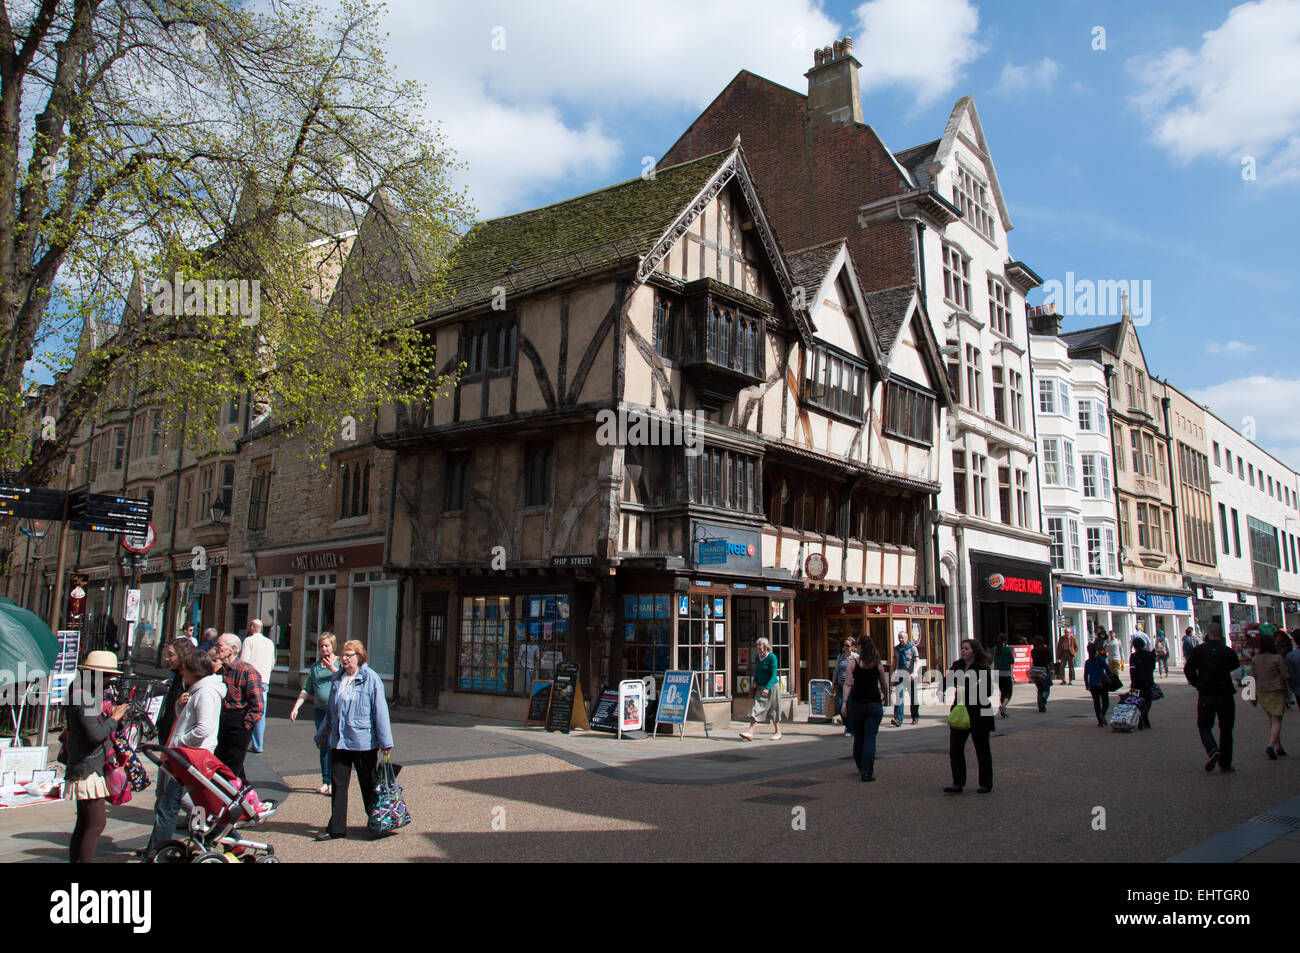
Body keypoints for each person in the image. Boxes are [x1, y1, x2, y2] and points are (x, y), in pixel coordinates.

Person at [145, 649, 225, 854]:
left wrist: (180, 741)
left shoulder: (206, 692)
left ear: (194, 671)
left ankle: (156, 852)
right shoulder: (198, 691)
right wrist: (180, 709)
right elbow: (189, 721)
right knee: (190, 802)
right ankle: (213, 832)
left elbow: (203, 728)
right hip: (185, 755)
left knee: (168, 806)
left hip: (191, 756)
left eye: (184, 670)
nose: (182, 674)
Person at [314, 640, 394, 841]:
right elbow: (331, 713)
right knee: (338, 784)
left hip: (363, 741)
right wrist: (322, 735)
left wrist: (386, 742)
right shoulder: (338, 679)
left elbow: (380, 711)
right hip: (340, 741)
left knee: (368, 783)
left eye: (350, 655)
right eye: (344, 654)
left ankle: (378, 822)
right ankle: (336, 828)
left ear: (360, 657)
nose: (345, 658)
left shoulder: (370, 678)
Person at [64, 651, 129, 863]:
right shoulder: (83, 696)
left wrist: (111, 715)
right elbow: (95, 734)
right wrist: (115, 718)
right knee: (96, 823)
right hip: (87, 765)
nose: (109, 681)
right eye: (107, 677)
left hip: (85, 763)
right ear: (96, 675)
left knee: (84, 822)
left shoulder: (83, 691)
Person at [141, 637, 196, 857]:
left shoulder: (189, 682)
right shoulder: (178, 678)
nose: (167, 658)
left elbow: (197, 724)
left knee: (168, 802)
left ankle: (156, 851)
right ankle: (156, 849)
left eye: (171, 654)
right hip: (169, 745)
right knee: (165, 797)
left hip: (179, 749)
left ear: (182, 655)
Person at [1185, 622, 1241, 773]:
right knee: (1227, 729)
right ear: (1221, 635)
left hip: (1206, 693)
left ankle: (1212, 749)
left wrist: (1197, 682)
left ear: (1207, 634)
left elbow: (1188, 669)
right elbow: (1235, 668)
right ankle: (1226, 763)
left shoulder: (1199, 651)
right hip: (1225, 694)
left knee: (1204, 726)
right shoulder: (1228, 652)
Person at [290, 632, 341, 795]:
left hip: (336, 711)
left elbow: (346, 681)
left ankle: (334, 781)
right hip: (320, 711)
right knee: (323, 744)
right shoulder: (315, 667)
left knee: (334, 745)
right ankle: (325, 781)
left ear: (333, 646)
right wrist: (296, 707)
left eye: (327, 645)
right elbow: (306, 689)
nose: (324, 649)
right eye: (321, 646)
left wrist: (333, 669)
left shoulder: (340, 663)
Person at [944, 640, 995, 794]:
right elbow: (947, 682)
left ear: (974, 651)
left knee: (982, 749)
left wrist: (968, 687)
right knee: (955, 748)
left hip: (979, 711)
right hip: (960, 710)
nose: (963, 651)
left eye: (966, 648)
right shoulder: (958, 665)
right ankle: (958, 782)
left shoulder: (982, 668)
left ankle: (986, 783)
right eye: (962, 648)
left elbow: (987, 691)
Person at [213, 633, 264, 782]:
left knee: (231, 767)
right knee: (223, 763)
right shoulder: (220, 670)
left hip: (238, 721)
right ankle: (247, 799)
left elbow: (258, 705)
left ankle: (225, 801)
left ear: (233, 649)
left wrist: (245, 725)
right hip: (222, 721)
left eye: (220, 645)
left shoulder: (247, 670)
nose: (216, 648)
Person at [840, 636, 889, 781]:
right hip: (874, 703)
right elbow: (883, 683)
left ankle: (861, 766)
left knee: (859, 737)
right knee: (870, 738)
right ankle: (866, 771)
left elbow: (848, 684)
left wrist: (844, 702)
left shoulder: (853, 663)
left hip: (858, 704)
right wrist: (886, 696)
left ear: (860, 647)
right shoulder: (877, 663)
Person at [238, 618, 275, 753]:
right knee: (261, 711)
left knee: (248, 710)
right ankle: (258, 744)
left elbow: (244, 662)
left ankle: (245, 740)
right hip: (264, 680)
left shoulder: (249, 641)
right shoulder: (269, 643)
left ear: (252, 628)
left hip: (251, 680)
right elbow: (272, 662)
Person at [1251, 632, 1288, 759]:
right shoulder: (1278, 658)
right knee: (1277, 719)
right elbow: (1285, 675)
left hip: (1262, 691)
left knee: (1271, 719)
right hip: (1276, 690)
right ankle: (1271, 745)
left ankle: (1279, 747)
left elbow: (1253, 677)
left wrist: (1252, 695)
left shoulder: (1256, 659)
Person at [739, 637, 781, 741]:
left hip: (772, 687)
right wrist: (754, 681)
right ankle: (750, 732)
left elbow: (774, 675)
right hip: (760, 687)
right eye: (757, 645)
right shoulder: (757, 657)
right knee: (756, 707)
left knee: (774, 709)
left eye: (760, 645)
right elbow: (757, 671)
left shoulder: (772, 657)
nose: (758, 647)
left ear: (766, 647)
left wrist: (767, 688)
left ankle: (778, 732)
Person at [891, 631, 919, 727]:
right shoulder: (896, 649)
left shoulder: (912, 648)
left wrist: (914, 672)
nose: (900, 639)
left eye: (902, 637)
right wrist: (893, 673)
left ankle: (915, 717)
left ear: (907, 638)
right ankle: (898, 719)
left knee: (913, 697)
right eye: (899, 637)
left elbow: (917, 661)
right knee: (899, 697)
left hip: (911, 675)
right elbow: (894, 662)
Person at [831, 637, 856, 735]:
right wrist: (833, 683)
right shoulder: (840, 657)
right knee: (839, 706)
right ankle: (849, 725)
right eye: (844, 645)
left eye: (847, 646)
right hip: (841, 686)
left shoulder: (856, 657)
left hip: (851, 686)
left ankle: (850, 729)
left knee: (849, 708)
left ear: (853, 647)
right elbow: (836, 670)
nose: (845, 647)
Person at [1130, 636, 1156, 729]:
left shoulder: (1133, 656)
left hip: (1136, 682)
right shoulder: (1150, 654)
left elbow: (1132, 670)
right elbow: (1153, 667)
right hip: (1148, 680)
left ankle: (1140, 716)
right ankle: (1145, 714)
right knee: (1148, 698)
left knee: (1135, 700)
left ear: (1134, 646)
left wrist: (1132, 682)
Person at [1083, 643, 1111, 726]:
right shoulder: (1100, 659)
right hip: (1101, 683)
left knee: (1096, 703)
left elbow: (1085, 675)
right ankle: (1102, 714)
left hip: (1092, 684)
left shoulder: (1087, 662)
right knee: (1105, 702)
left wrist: (1087, 684)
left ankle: (1099, 721)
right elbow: (1108, 669)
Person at [1030, 637, 1052, 712]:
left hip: (1035, 670)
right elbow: (1049, 659)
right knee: (1046, 688)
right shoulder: (1045, 650)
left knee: (1039, 688)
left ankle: (1040, 704)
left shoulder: (1033, 651)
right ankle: (1043, 699)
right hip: (1044, 670)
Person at [994, 636, 1013, 719]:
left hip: (997, 673)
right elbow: (1012, 661)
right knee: (1008, 692)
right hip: (1006, 673)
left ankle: (1003, 711)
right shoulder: (1007, 649)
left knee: (1002, 691)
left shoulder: (994, 649)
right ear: (1005, 641)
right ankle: (1003, 706)